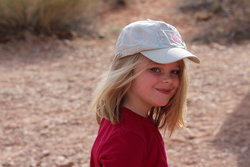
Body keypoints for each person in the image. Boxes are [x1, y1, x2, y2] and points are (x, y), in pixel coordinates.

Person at [90, 19, 200, 167]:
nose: (168, 79)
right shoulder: (127, 137)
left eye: (175, 71)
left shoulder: (130, 122)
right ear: (127, 71)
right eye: (155, 69)